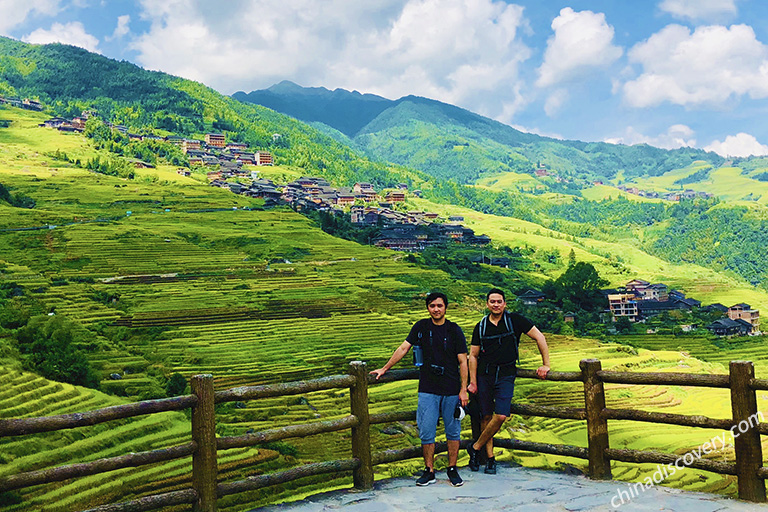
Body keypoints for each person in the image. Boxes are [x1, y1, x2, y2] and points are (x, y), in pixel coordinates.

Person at [371, 292, 469, 487]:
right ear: (428, 308)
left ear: (446, 307)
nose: (436, 309)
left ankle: (452, 468)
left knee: (453, 431)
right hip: (427, 388)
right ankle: (429, 470)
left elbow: (462, 361)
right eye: (432, 306)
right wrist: (385, 368)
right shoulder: (421, 327)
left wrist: (463, 389)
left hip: (450, 388)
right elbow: (403, 348)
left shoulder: (454, 330)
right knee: (426, 431)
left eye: (439, 305)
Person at [466, 288, 549, 475]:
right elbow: (473, 355)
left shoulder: (515, 320)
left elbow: (540, 337)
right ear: (487, 304)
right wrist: (473, 381)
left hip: (506, 374)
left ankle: (475, 447)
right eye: (492, 302)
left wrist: (546, 364)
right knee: (486, 416)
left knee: (501, 415)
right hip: (484, 374)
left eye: (499, 301)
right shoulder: (481, 326)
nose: (496, 305)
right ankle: (490, 459)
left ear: (505, 303)